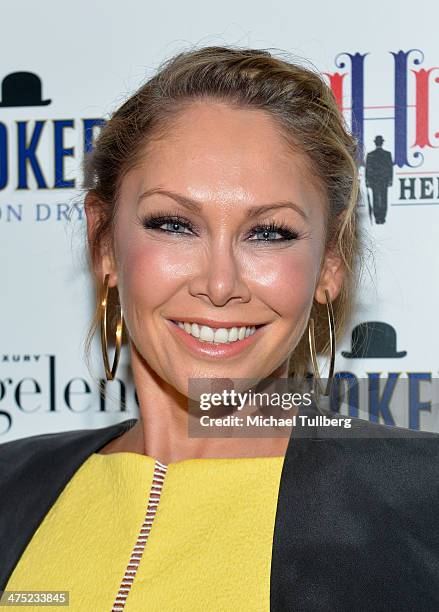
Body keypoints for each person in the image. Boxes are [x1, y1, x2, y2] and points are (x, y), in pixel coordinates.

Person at [1, 46, 439, 611]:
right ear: (104, 242)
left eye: (270, 233)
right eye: (174, 224)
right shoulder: (10, 487)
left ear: (330, 263)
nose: (220, 283)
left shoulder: (422, 503)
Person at [365, 135, 394, 224]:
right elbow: (390, 168)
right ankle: (381, 217)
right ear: (382, 142)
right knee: (384, 198)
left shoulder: (370, 155)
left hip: (375, 181)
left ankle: (378, 218)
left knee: (376, 199)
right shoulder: (387, 154)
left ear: (375, 143)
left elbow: (368, 169)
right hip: (383, 180)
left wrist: (367, 180)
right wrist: (390, 179)